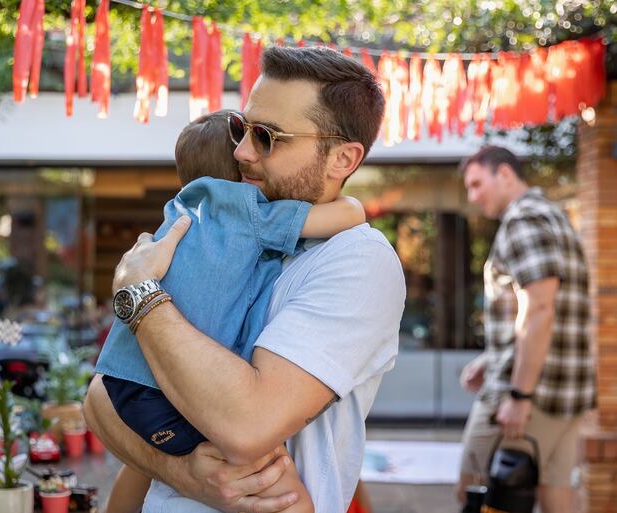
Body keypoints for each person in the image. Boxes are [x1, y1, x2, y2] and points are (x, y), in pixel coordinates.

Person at [84, 46, 405, 513]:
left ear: (342, 158)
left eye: (267, 136)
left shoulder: (356, 260)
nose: (241, 151)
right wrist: (183, 474)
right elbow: (99, 400)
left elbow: (245, 425)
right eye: (241, 128)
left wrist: (138, 293)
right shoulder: (219, 235)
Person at [457, 146, 596, 513]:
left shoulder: (523, 221)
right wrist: (493, 356)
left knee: (473, 487)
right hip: (569, 391)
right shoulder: (556, 217)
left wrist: (519, 394)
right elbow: (551, 309)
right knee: (556, 493)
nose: (472, 197)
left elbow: (540, 308)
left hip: (528, 396)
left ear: (504, 174)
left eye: (476, 184)